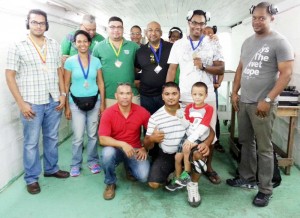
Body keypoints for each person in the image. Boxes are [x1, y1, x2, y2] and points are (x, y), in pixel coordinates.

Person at [226, 2, 294, 207]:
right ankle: (247, 178)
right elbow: (240, 68)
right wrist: (234, 92)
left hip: (262, 104)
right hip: (245, 102)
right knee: (246, 142)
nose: (257, 21)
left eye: (261, 18)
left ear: (271, 18)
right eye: (254, 17)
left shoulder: (280, 42)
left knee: (264, 148)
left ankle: (265, 189)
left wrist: (268, 99)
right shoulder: (247, 42)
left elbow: (287, 74)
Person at [5, 9, 69, 195]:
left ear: (46, 25)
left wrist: (63, 94)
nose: (38, 26)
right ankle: (31, 179)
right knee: (31, 142)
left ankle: (51, 169)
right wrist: (21, 104)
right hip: (31, 102)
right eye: (34, 22)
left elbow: (59, 71)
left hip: (53, 100)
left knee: (52, 137)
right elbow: (10, 76)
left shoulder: (54, 44)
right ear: (28, 23)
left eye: (42, 23)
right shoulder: (17, 45)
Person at [166, 9, 225, 184]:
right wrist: (169, 92)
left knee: (209, 132)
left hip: (206, 96)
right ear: (189, 23)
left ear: (205, 24)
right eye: (194, 22)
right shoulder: (178, 45)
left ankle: (208, 166)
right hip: (184, 96)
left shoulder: (212, 43)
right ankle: (185, 167)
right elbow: (172, 69)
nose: (197, 26)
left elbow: (221, 68)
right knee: (184, 131)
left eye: (201, 23)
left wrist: (204, 66)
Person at [144, 82, 215, 207]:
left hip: (189, 150)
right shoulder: (155, 117)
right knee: (154, 184)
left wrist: (207, 143)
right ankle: (176, 173)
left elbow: (210, 130)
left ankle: (193, 186)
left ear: (179, 95)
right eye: (167, 94)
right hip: (168, 154)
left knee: (198, 154)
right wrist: (152, 139)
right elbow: (146, 144)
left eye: (174, 93)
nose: (171, 97)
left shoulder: (190, 109)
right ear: (162, 96)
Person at [64, 30, 105, 177]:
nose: (82, 44)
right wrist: (67, 106)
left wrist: (102, 104)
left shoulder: (96, 61)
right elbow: (66, 84)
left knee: (93, 135)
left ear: (89, 43)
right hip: (75, 103)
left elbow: (100, 82)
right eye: (79, 41)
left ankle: (93, 161)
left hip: (94, 101)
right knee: (78, 136)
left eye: (85, 41)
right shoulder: (70, 62)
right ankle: (75, 164)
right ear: (75, 44)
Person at [99, 83, 150, 200]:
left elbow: (151, 133)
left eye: (128, 93)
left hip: (135, 149)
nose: (125, 96)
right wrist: (123, 144)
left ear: (132, 95)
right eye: (121, 93)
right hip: (115, 149)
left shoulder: (141, 111)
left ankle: (129, 166)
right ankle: (110, 183)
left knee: (144, 176)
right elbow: (102, 139)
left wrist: (144, 147)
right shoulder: (108, 113)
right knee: (107, 153)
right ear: (116, 96)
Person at [165, 82, 213, 191]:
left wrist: (190, 140)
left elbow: (204, 126)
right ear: (191, 94)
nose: (197, 97)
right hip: (189, 134)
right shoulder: (189, 108)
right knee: (177, 157)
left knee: (186, 148)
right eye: (195, 94)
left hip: (199, 137)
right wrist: (181, 117)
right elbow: (187, 125)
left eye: (200, 95)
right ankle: (178, 179)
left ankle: (186, 173)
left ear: (206, 95)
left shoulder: (208, 109)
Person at [93, 16, 140, 107]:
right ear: (107, 29)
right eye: (112, 27)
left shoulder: (133, 46)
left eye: (119, 27)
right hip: (108, 96)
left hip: (131, 95)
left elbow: (142, 66)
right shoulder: (98, 47)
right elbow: (93, 71)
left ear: (123, 29)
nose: (116, 30)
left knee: (134, 121)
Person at [135, 21, 173, 115]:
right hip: (146, 96)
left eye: (157, 30)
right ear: (146, 33)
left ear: (161, 33)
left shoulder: (171, 47)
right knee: (149, 123)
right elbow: (136, 69)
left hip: (165, 95)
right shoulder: (140, 51)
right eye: (150, 30)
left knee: (166, 123)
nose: (153, 33)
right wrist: (136, 80)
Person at [204, 25, 225, 153]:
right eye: (205, 32)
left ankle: (216, 141)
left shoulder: (217, 48)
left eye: (210, 33)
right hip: (200, 89)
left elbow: (221, 70)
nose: (207, 34)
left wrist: (219, 84)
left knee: (213, 115)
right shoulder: (198, 47)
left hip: (212, 88)